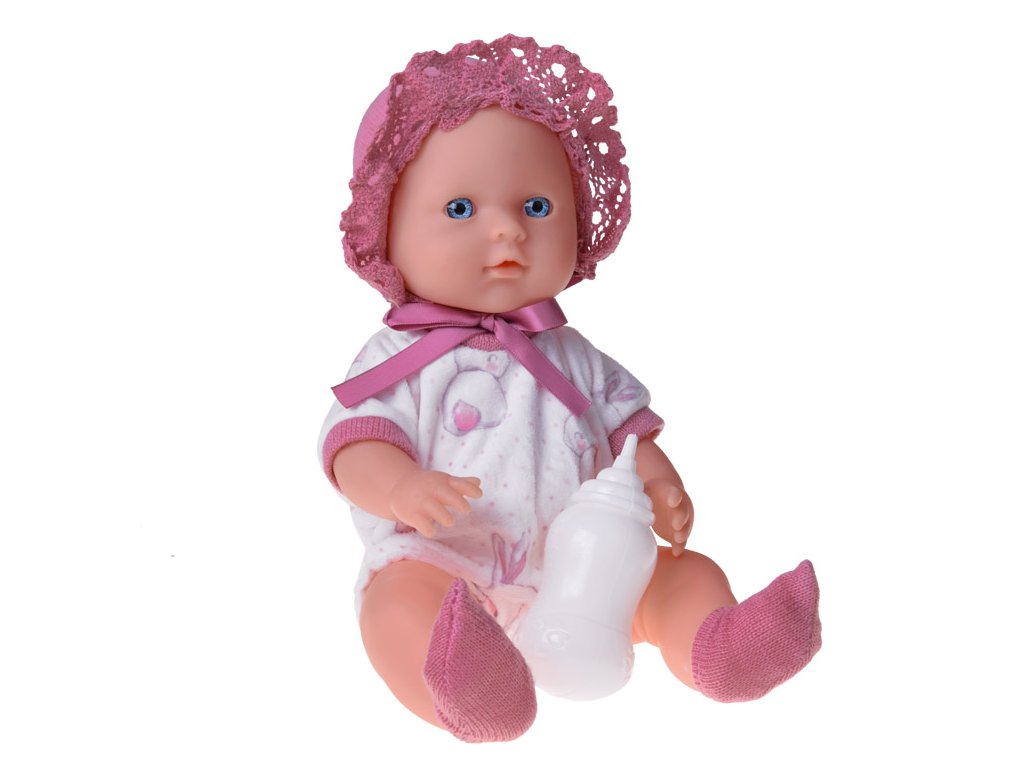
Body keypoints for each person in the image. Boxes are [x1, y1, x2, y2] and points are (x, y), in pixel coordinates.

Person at [319, 35, 821, 743]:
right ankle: (469, 690)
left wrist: (659, 485)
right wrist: (400, 488)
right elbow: (355, 444)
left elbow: (627, 435)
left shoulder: (573, 356)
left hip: (588, 566)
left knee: (677, 574)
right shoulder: (398, 357)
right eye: (460, 209)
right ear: (386, 232)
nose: (507, 230)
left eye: (536, 206)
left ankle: (721, 647)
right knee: (396, 605)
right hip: (444, 562)